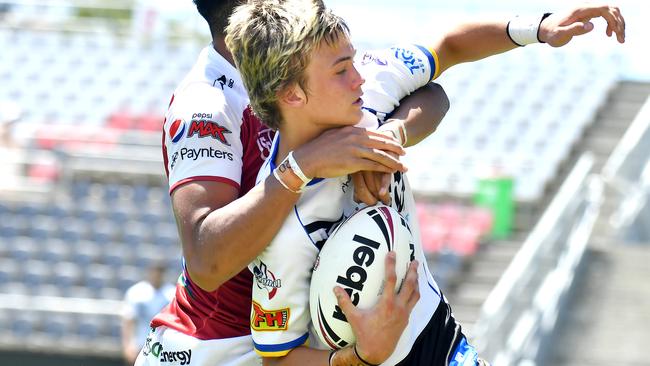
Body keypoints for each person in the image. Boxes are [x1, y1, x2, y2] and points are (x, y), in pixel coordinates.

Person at [225, 0, 626, 365]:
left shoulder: (364, 94)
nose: (359, 79)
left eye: (353, 62)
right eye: (342, 71)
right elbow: (279, 357)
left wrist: (539, 27)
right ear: (292, 94)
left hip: (444, 339)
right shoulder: (281, 229)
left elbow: (447, 52)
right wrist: (360, 357)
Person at [137, 1, 450, 365]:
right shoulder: (207, 104)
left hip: (296, 339)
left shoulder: (316, 60)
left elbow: (432, 93)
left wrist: (382, 141)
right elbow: (207, 262)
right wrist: (301, 167)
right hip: (221, 349)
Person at [122, 260, 175, 365]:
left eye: (160, 272)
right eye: (154, 271)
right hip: (140, 345)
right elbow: (128, 320)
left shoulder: (172, 294)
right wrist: (127, 345)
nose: (156, 275)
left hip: (163, 346)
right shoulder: (136, 292)